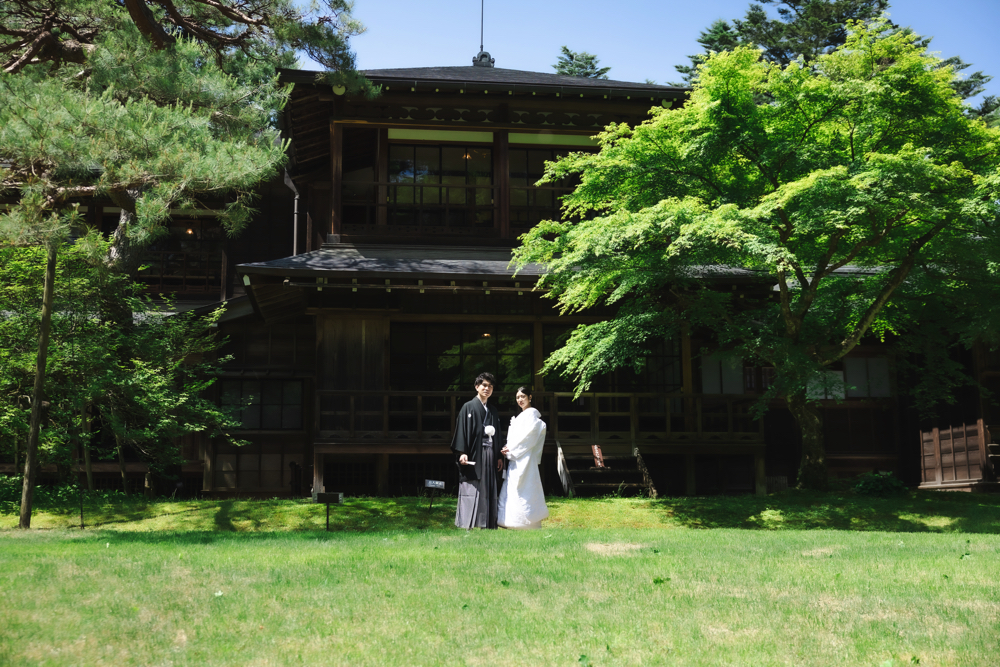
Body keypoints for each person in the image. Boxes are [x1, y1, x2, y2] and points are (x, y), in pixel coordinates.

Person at [451, 372, 504, 529]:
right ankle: (467, 523)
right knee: (472, 484)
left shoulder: (493, 410)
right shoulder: (468, 407)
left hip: (490, 452)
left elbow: (498, 434)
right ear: (477, 387)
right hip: (474, 452)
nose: (487, 389)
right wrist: (462, 452)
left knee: (489, 485)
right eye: (484, 385)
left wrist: (499, 456)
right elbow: (462, 431)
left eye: (490, 386)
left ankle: (487, 523)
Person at [498, 386, 549, 529]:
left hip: (525, 457)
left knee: (525, 486)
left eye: (523, 396)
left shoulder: (532, 415)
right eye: (517, 397)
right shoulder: (521, 416)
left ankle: (527, 522)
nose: (520, 400)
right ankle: (510, 520)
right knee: (513, 486)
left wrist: (512, 449)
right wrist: (508, 447)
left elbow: (529, 438)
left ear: (530, 397)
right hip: (516, 457)